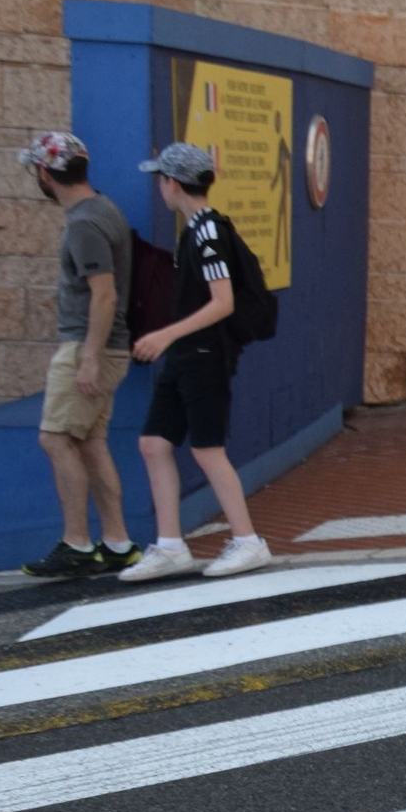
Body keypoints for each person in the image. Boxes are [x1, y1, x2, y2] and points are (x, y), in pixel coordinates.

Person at [124, 142, 270, 583]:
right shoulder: (195, 230)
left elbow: (222, 302)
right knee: (153, 443)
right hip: (186, 354)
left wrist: (166, 334)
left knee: (208, 449)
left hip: (204, 355)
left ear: (172, 183)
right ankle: (170, 545)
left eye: (161, 180)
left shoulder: (207, 233)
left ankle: (247, 540)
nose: (160, 188)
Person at [15, 131, 139, 579]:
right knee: (89, 441)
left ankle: (78, 545)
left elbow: (102, 296)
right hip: (107, 348)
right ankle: (119, 543)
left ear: (46, 174)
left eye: (36, 171)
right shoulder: (102, 209)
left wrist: (88, 357)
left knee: (55, 439)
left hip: (90, 347)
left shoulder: (85, 223)